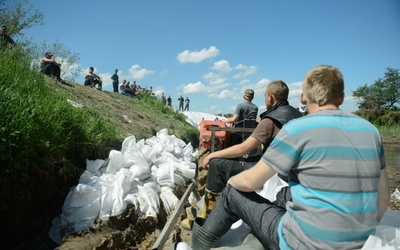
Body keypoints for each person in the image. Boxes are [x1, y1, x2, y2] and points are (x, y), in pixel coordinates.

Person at [190, 65, 390, 250]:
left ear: (303, 97)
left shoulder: (297, 129)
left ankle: (198, 245)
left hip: (300, 243)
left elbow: (249, 180)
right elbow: (383, 201)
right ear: (342, 97)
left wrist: (231, 181)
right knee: (281, 196)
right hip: (361, 239)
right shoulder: (371, 131)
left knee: (232, 192)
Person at [181, 80, 302, 231]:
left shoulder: (271, 120)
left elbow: (244, 148)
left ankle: (207, 217)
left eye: (265, 96)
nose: (264, 99)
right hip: (289, 171)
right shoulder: (299, 116)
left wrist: (212, 155)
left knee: (218, 165)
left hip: (272, 172)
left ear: (270, 97)